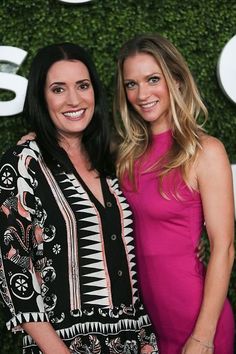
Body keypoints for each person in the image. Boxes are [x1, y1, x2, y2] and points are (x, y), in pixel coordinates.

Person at [0, 43, 159, 354]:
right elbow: (12, 269)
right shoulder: (21, 164)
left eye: (83, 86)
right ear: (41, 98)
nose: (74, 100)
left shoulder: (112, 162)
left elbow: (128, 264)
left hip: (130, 343)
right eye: (58, 89)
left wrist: (145, 341)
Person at [113, 33, 235, 354]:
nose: (142, 94)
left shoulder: (205, 151)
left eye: (153, 79)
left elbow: (225, 248)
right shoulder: (127, 156)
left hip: (197, 321)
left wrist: (203, 337)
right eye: (131, 84)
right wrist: (38, 139)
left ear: (176, 81)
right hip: (150, 327)